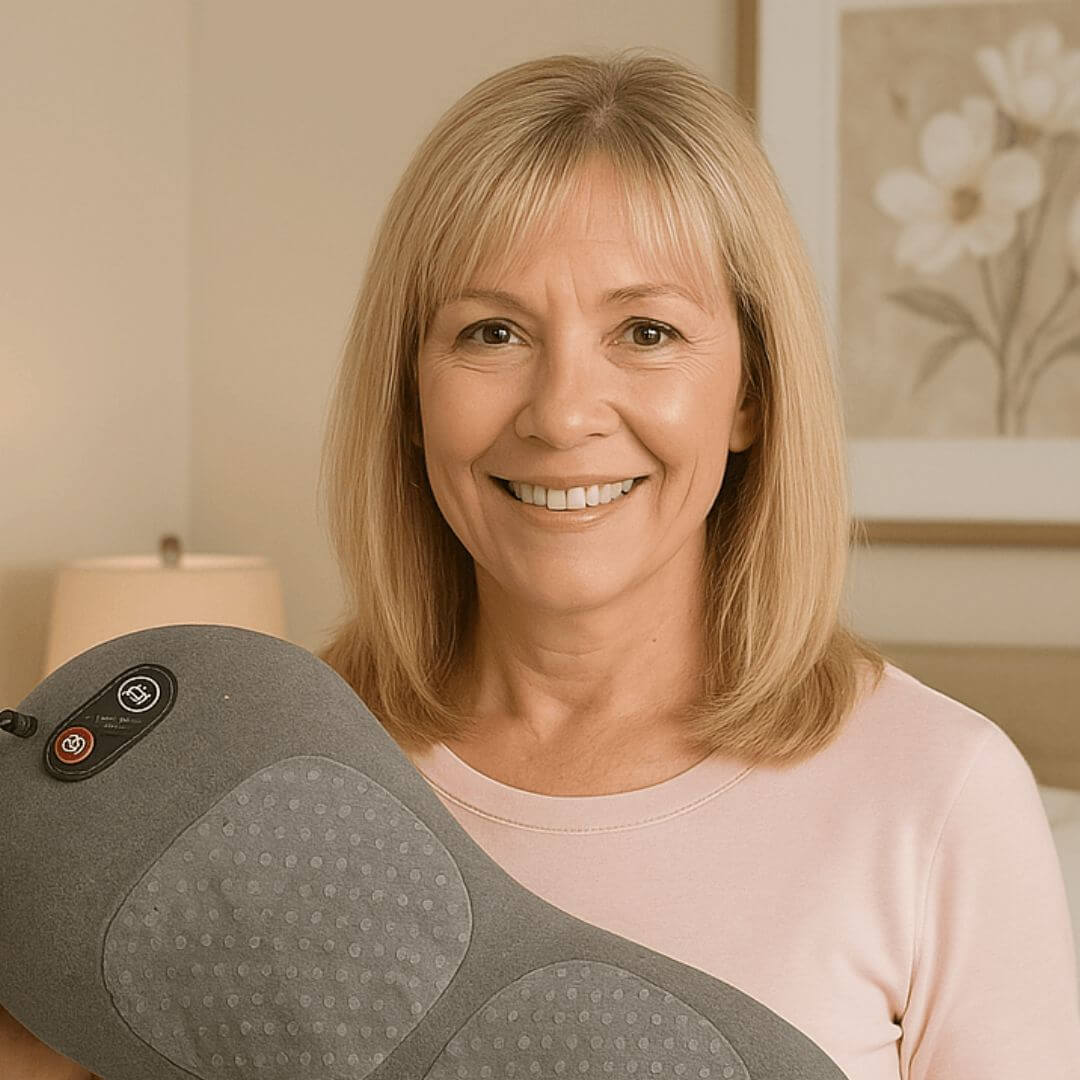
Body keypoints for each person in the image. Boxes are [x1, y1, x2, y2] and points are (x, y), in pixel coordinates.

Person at [314, 46, 1080, 1079]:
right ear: (410, 394)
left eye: (646, 331)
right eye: (492, 331)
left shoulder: (936, 795)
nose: (563, 413)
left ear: (753, 395)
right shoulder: (280, 771)